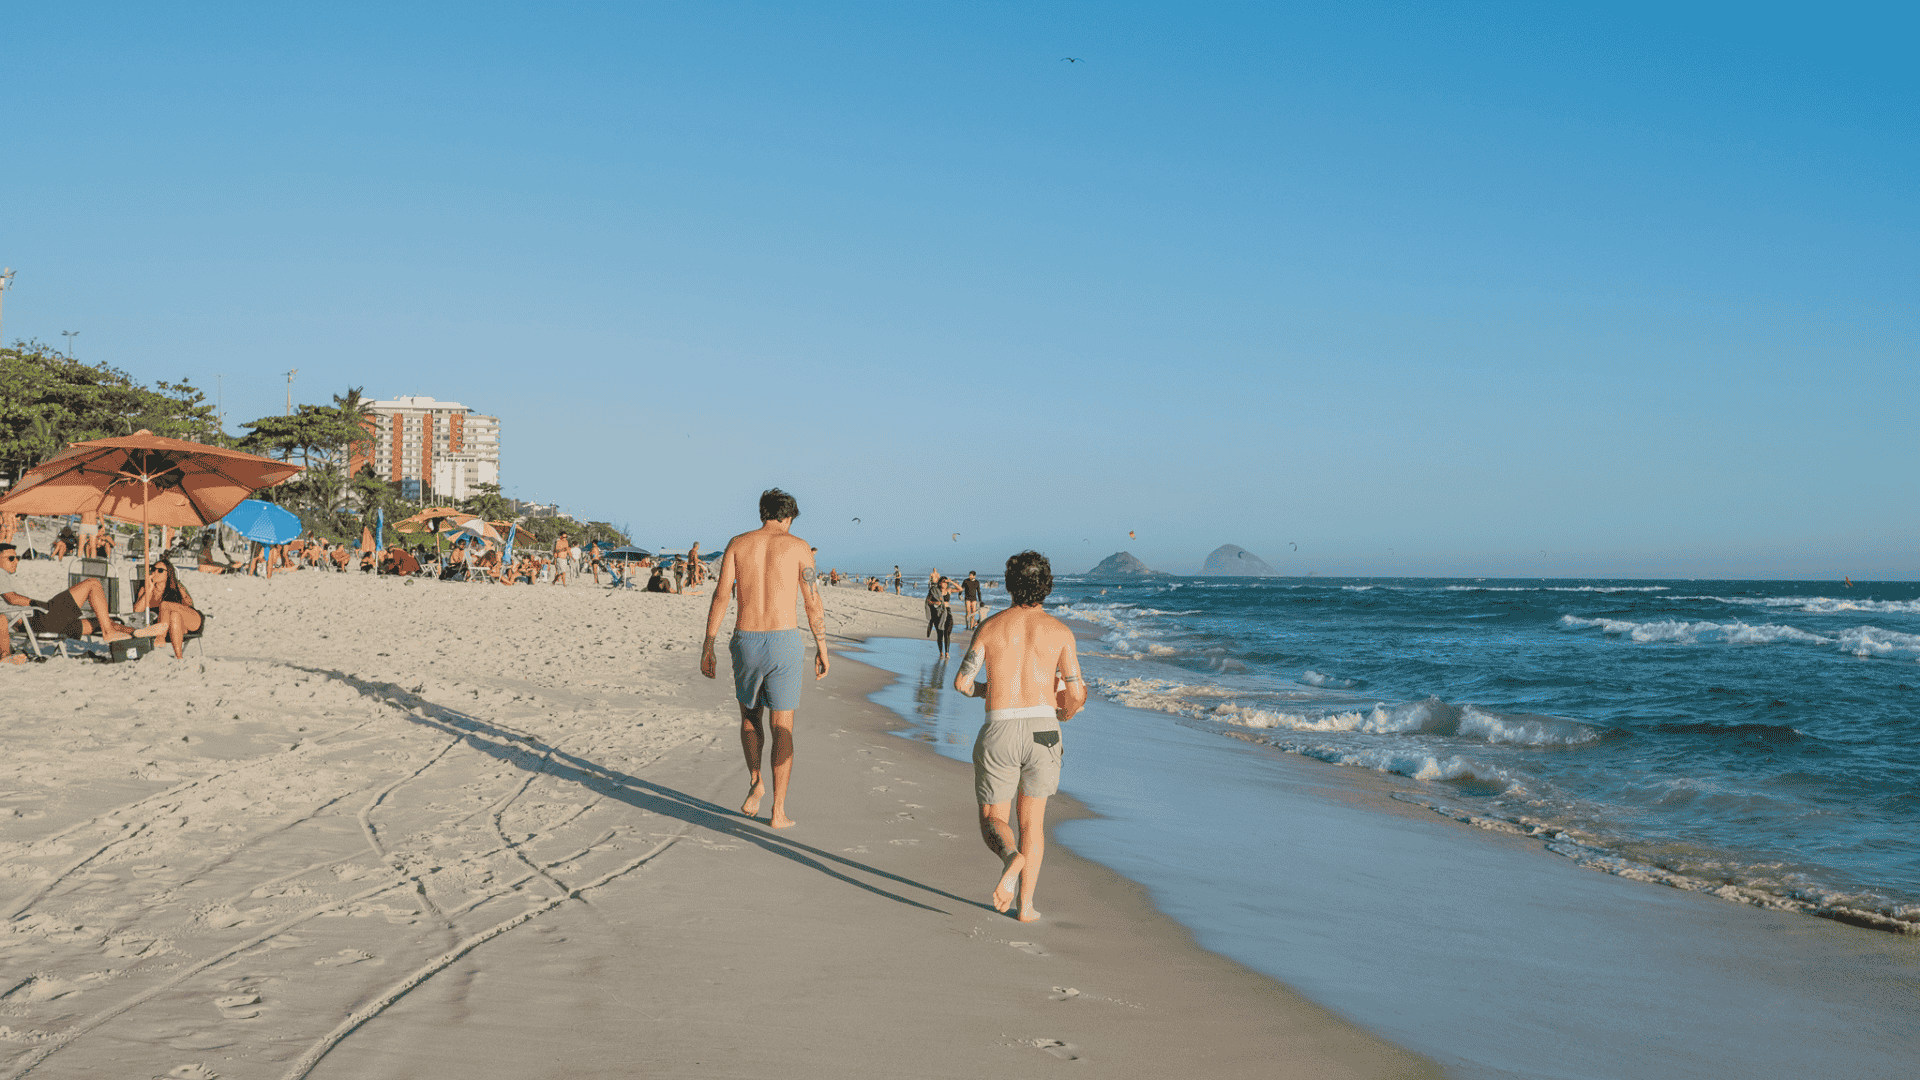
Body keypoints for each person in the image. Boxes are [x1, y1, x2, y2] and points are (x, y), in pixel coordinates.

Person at [953, 551, 1085, 922]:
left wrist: (987, 691)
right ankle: (1025, 907)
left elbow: (962, 682)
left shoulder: (990, 628)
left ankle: (1011, 857)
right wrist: (1065, 713)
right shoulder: (1061, 632)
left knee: (994, 818)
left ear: (1010, 585)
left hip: (1001, 727)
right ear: (1048, 586)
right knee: (1033, 823)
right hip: (1045, 729)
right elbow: (1075, 694)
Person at [701, 488, 829, 829]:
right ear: (787, 517)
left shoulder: (738, 544)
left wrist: (708, 644)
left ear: (763, 513)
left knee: (749, 717)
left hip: (745, 639)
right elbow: (812, 600)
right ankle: (778, 811)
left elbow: (720, 596)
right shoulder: (799, 547)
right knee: (782, 726)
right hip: (783, 640)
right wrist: (822, 646)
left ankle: (756, 779)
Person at [1, 543, 134, 662]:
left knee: (104, 622)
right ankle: (109, 632)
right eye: (11, 558)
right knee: (93, 583)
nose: (16, 561)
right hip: (39, 619)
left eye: (17, 557)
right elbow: (11, 598)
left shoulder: (7, 576)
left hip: (44, 623)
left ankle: (140, 635)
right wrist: (39, 604)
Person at [132, 557, 203, 659]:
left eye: (160, 570)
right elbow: (137, 611)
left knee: (165, 605)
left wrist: (171, 607)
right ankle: (179, 657)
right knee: (174, 616)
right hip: (176, 626)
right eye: (153, 569)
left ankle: (161, 636)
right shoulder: (145, 589)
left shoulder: (177, 586)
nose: (155, 572)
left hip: (192, 621)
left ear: (168, 574)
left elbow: (190, 606)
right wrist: (149, 590)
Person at [926, 574, 954, 659]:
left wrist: (951, 581)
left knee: (947, 633)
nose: (945, 584)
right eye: (943, 582)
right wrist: (936, 603)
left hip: (947, 612)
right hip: (938, 613)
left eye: (946, 582)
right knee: (940, 634)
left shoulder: (949, 590)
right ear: (939, 583)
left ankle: (947, 652)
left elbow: (961, 589)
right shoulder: (934, 590)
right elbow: (928, 600)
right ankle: (941, 652)